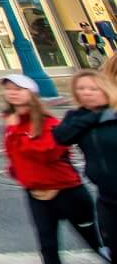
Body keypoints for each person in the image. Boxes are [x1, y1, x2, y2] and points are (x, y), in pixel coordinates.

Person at [1, 71, 103, 264]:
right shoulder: (12, 122)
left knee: (95, 242)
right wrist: (19, 173)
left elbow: (47, 152)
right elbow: (14, 155)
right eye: (8, 89)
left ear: (31, 93)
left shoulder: (48, 122)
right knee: (47, 245)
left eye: (18, 89)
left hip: (68, 192)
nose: (13, 93)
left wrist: (15, 133)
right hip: (36, 193)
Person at [55, 70, 117, 247]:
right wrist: (94, 116)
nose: (86, 92)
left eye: (92, 88)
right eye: (80, 88)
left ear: (106, 89)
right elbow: (61, 137)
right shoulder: (77, 118)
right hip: (107, 197)